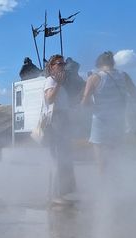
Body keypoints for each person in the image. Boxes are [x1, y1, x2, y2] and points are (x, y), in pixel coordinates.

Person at [81, 51, 136, 174]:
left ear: (99, 64)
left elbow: (85, 103)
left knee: (102, 161)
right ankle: (116, 188)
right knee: (116, 158)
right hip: (118, 121)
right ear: (113, 63)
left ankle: (104, 190)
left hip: (100, 122)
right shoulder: (124, 76)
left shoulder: (94, 78)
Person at [44, 54, 76, 205]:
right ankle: (54, 194)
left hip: (62, 121)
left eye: (63, 64)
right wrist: (58, 84)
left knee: (62, 157)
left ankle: (58, 192)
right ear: (51, 66)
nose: (63, 66)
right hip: (56, 122)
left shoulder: (60, 83)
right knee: (57, 158)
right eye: (59, 64)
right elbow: (49, 99)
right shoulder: (51, 81)